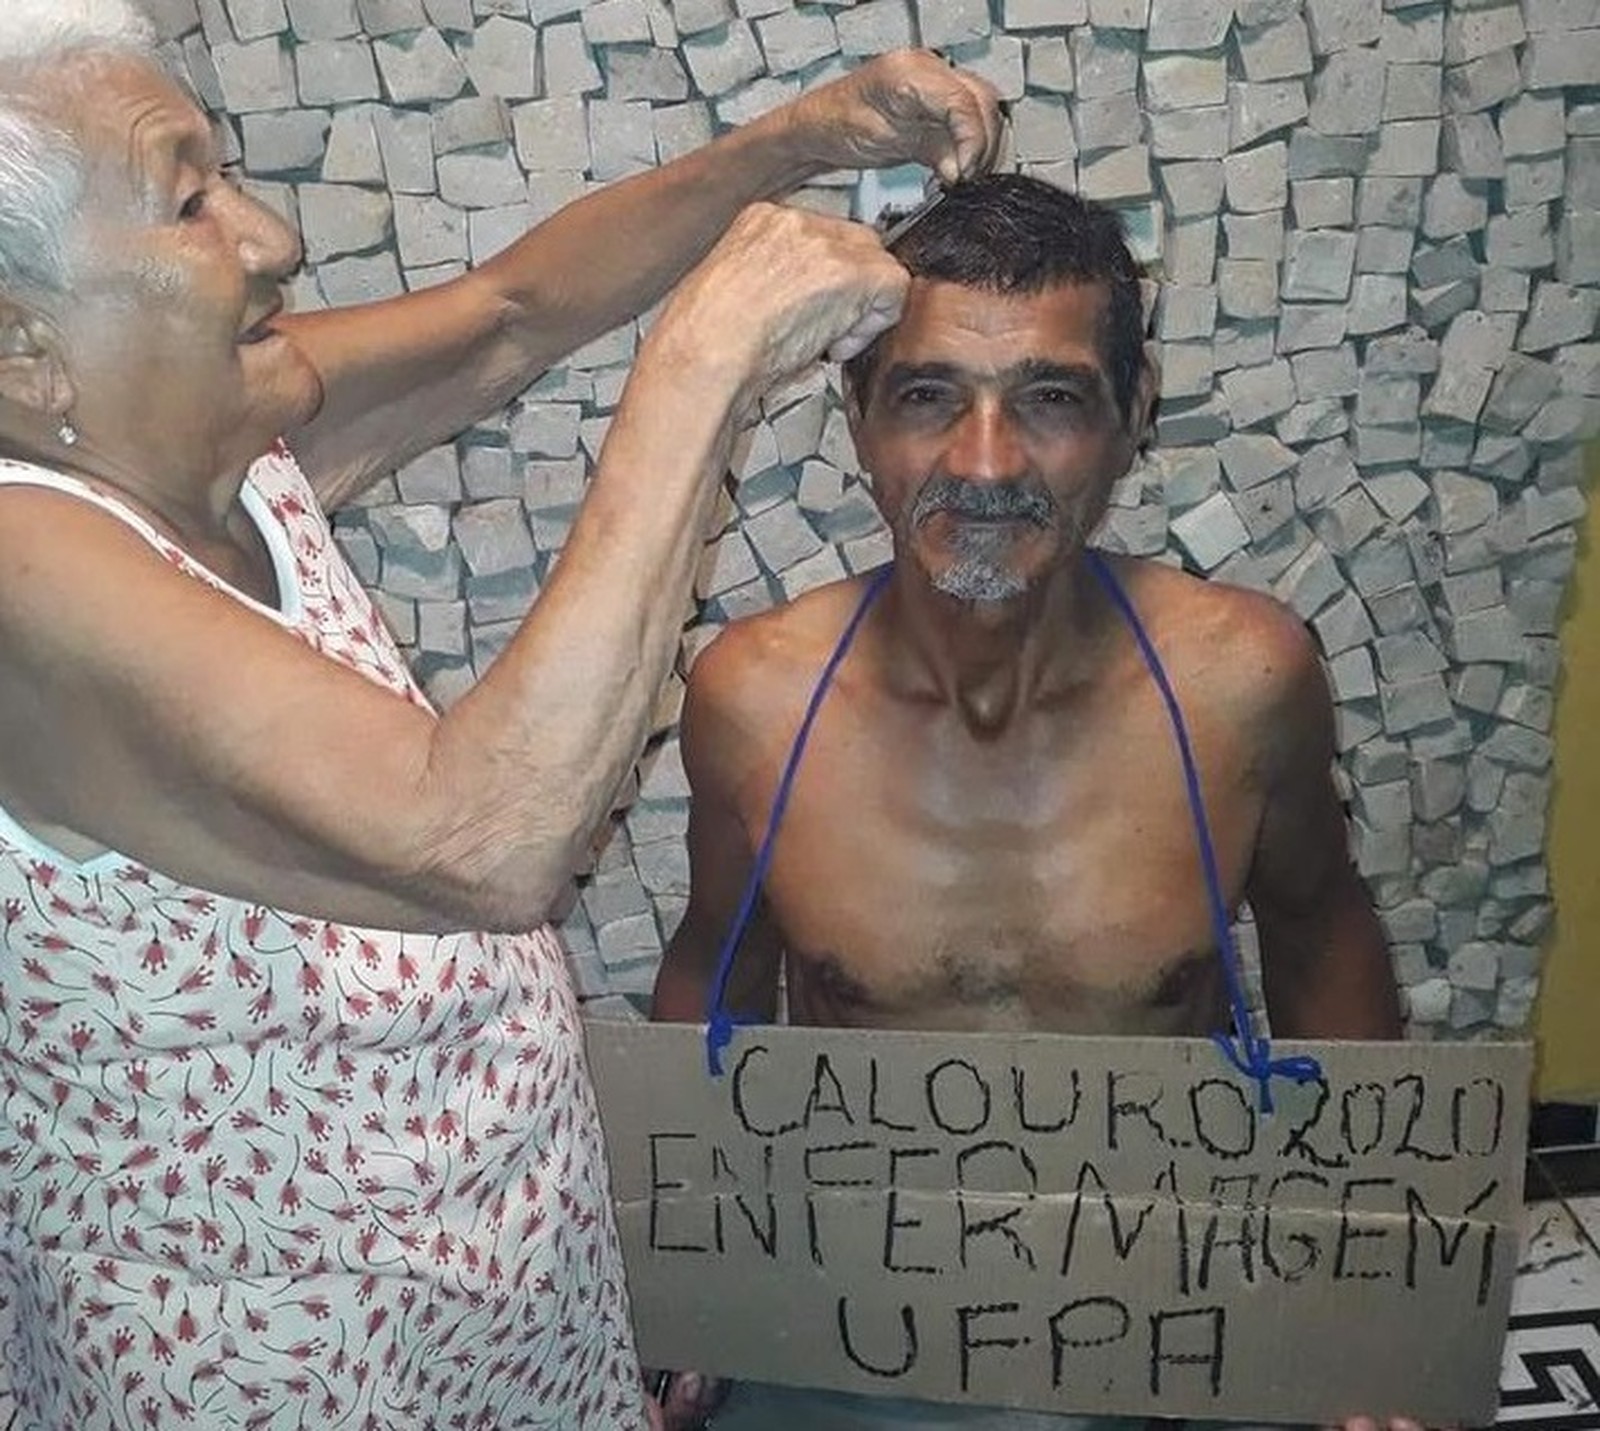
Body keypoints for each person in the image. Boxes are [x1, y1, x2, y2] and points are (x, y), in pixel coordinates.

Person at [0, 2, 1004, 1427]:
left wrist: (802, 136)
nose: (270, 235)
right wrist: (702, 359)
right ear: (24, 347)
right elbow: (482, 836)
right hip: (271, 1357)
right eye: (188, 201)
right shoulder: (23, 568)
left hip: (491, 1284)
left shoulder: (224, 436)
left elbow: (514, 313)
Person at [651, 174, 1406, 1430]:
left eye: (1048, 399)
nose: (985, 462)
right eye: (928, 395)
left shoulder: (1243, 681)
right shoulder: (754, 701)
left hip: (1177, 1295)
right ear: (857, 419)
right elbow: (716, 979)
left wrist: (1361, 1278)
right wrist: (694, 1271)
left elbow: (1321, 932)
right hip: (862, 1306)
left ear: (1130, 417)